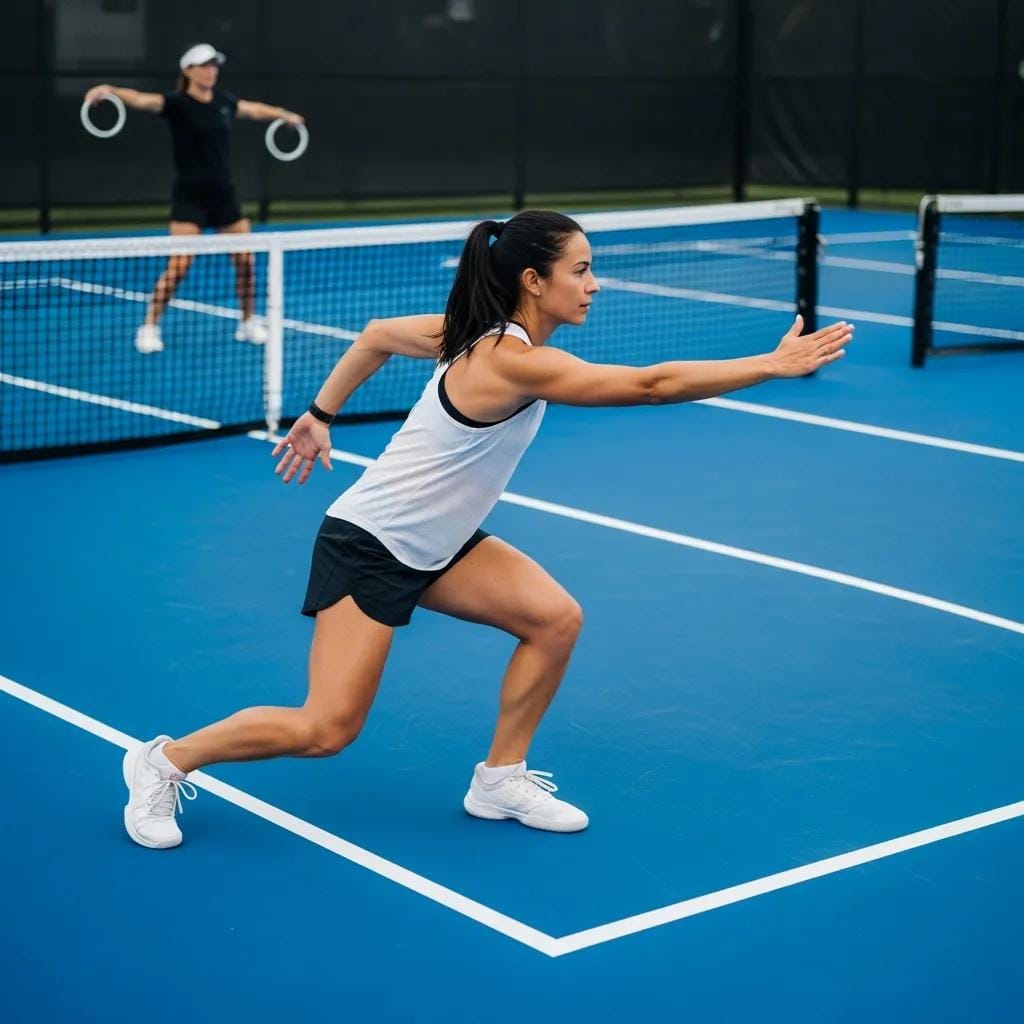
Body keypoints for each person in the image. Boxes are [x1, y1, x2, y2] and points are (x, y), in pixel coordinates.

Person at [122, 210, 853, 848]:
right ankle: (163, 761)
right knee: (325, 730)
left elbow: (376, 335)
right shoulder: (512, 363)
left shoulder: (472, 333)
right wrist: (767, 365)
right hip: (370, 545)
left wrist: (320, 414)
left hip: (439, 544)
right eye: (581, 270)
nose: (594, 285)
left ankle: (499, 780)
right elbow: (650, 385)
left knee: (554, 620)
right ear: (534, 281)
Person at [83, 43, 305, 355]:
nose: (211, 70)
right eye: (204, 65)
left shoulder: (224, 102)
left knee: (246, 263)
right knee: (180, 265)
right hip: (190, 198)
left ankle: (247, 322)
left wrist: (283, 115)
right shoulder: (177, 104)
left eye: (214, 65)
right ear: (188, 70)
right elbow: (142, 99)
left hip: (224, 196)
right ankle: (149, 325)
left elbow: (253, 109)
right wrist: (109, 90)